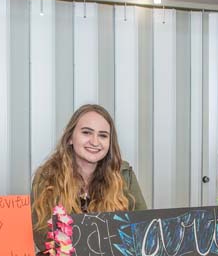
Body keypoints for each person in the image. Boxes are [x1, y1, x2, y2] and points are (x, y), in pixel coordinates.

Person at [31, 104, 147, 245]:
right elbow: (41, 236)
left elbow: (143, 229)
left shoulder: (124, 175)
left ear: (110, 143)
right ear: (70, 138)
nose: (94, 142)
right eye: (86, 132)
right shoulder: (47, 177)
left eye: (103, 135)